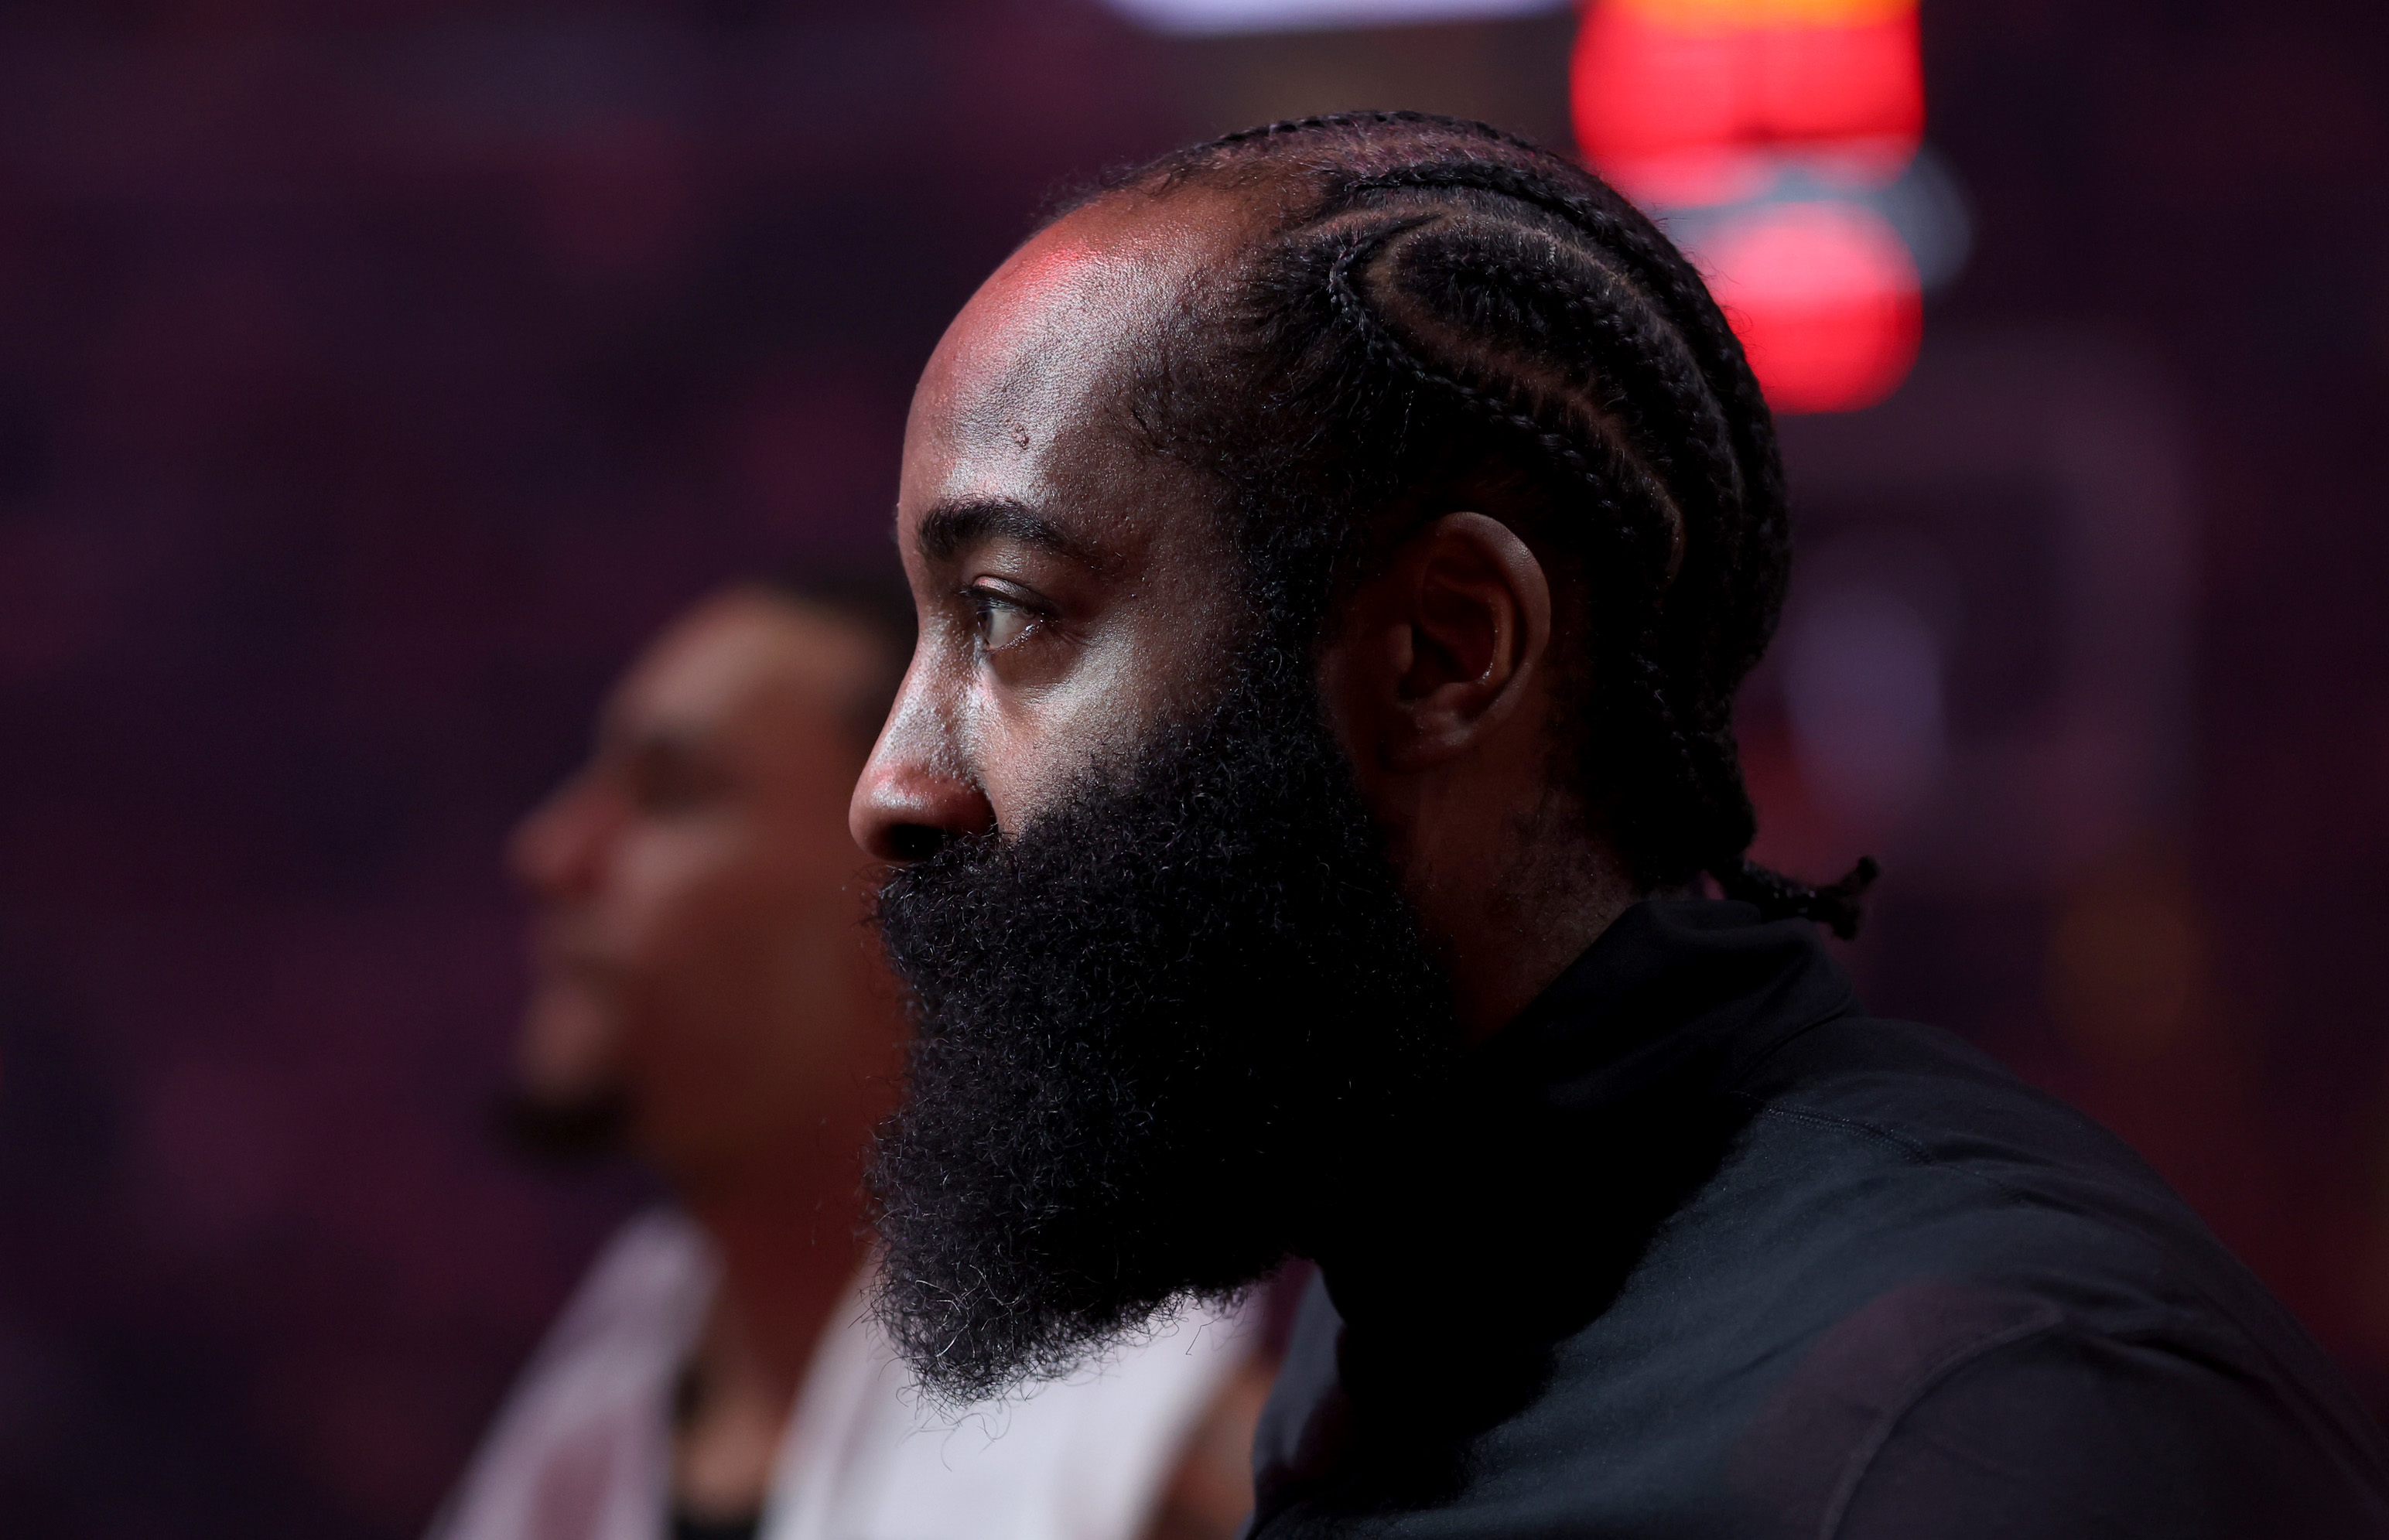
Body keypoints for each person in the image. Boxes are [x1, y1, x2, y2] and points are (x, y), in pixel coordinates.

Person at [844, 111, 2389, 1537]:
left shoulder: (1990, 1423)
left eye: (1007, 610)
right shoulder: (1385, 1314)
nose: (891, 783)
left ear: (1443, 649)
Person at [432, 575, 1275, 1540]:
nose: (549, 853)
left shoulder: (1170, 1479)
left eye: (669, 793)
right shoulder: (591, 1393)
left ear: (923, 891)